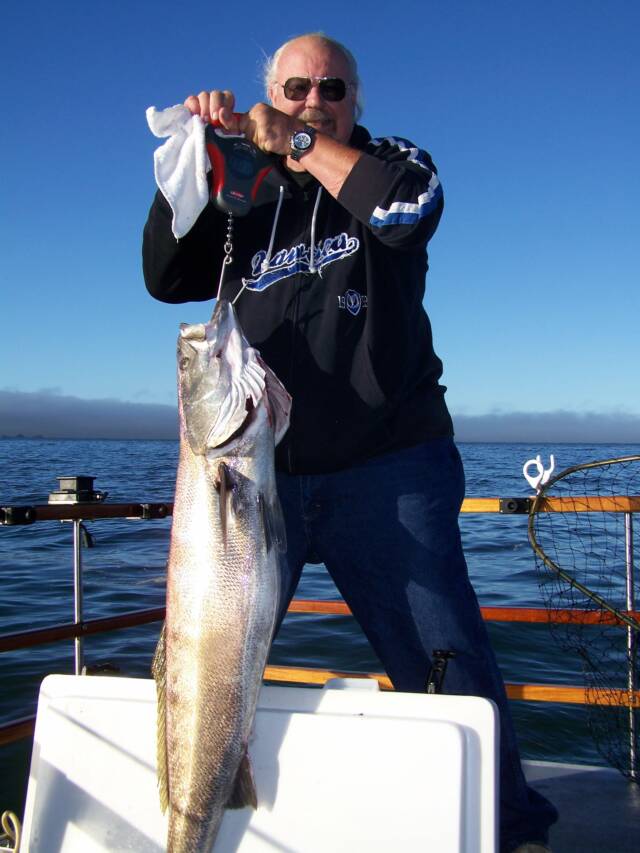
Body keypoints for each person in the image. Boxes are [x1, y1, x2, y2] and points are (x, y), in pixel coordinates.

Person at [142, 32, 558, 853]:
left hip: (390, 468)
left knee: (448, 656)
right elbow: (164, 275)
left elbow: (409, 215)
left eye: (332, 89)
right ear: (272, 89)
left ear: (355, 101)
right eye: (296, 88)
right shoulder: (250, 196)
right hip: (267, 469)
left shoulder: (390, 164)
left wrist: (295, 141)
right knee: (201, 654)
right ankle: (192, 812)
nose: (314, 101)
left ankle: (513, 832)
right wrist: (195, 159)